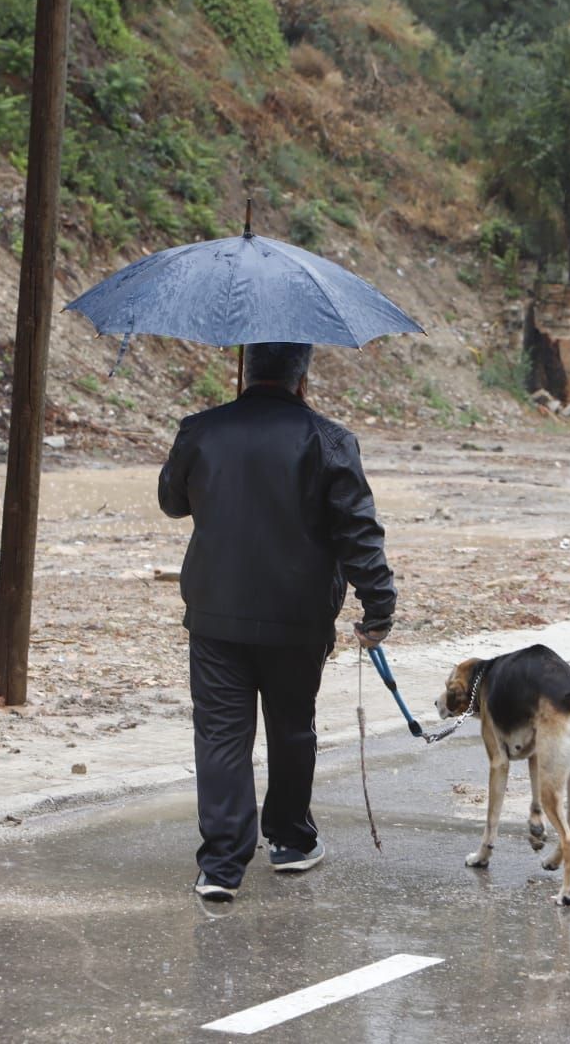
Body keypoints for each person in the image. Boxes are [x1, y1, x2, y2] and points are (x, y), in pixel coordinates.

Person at [158, 342, 396, 902]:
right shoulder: (330, 439)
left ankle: (220, 866)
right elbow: (358, 531)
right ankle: (289, 841)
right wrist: (378, 604)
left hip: (217, 614)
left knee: (220, 734)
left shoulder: (201, 429)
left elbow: (172, 501)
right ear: (302, 377)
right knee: (292, 729)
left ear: (246, 368)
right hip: (298, 616)